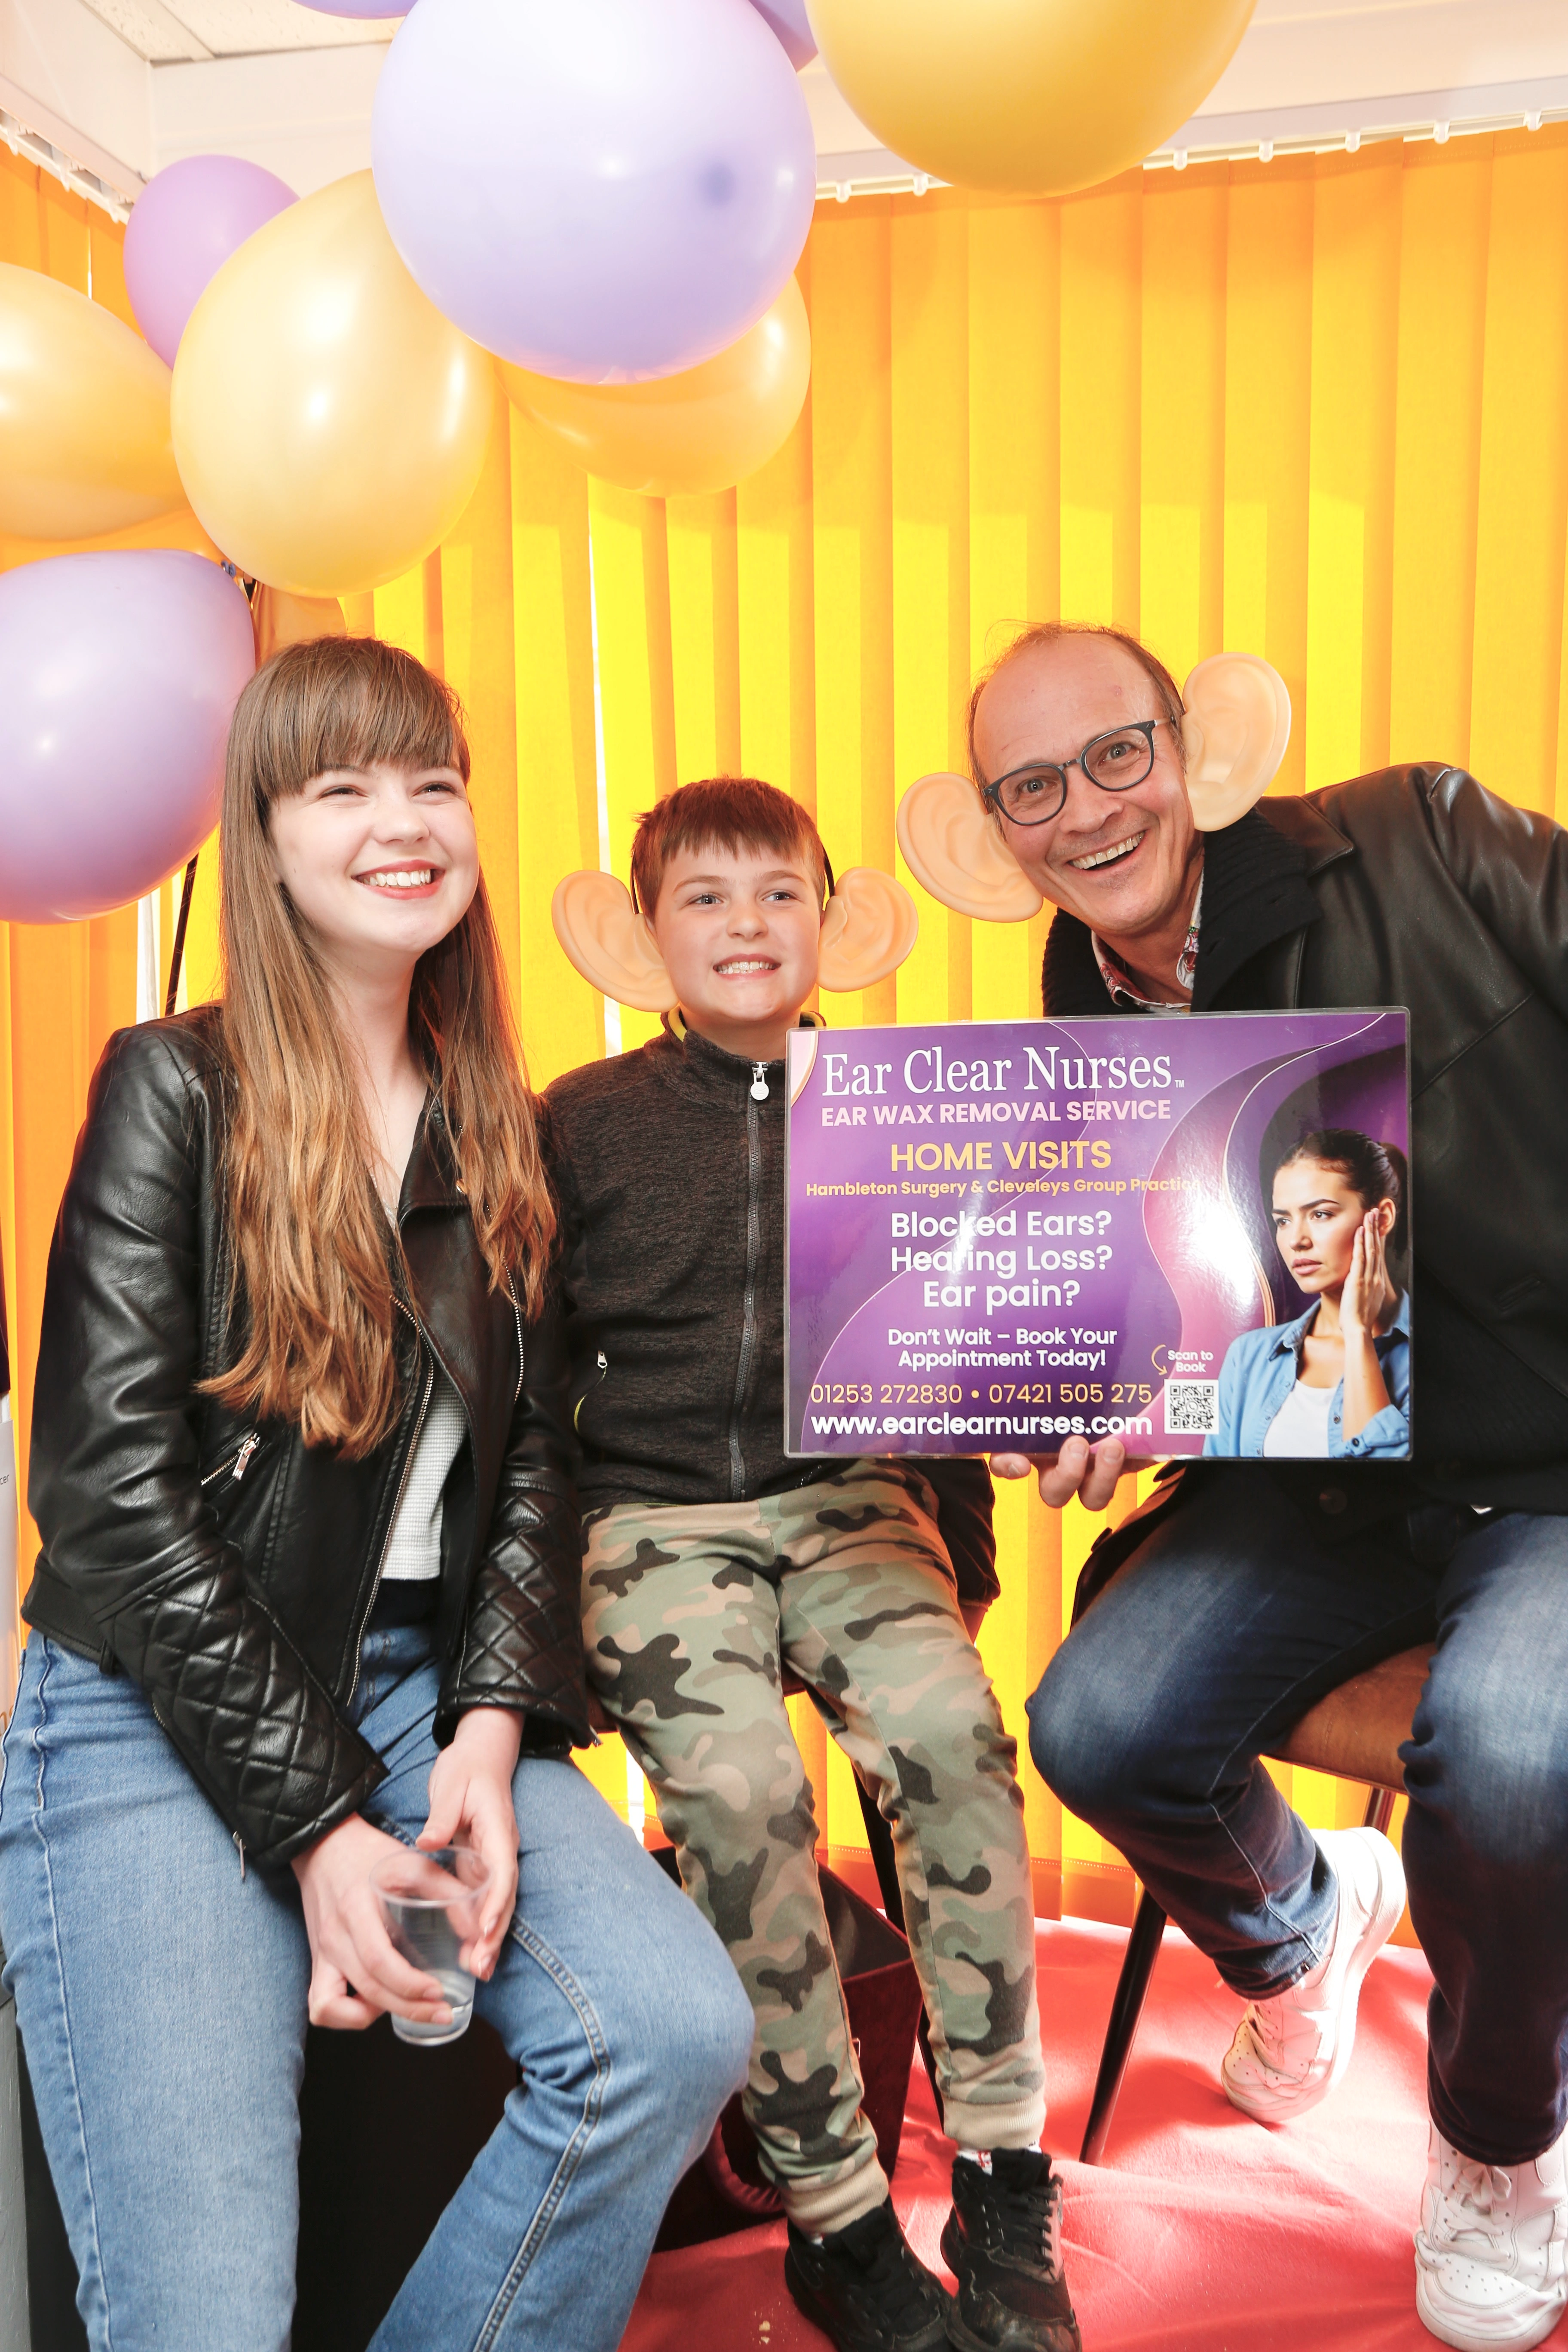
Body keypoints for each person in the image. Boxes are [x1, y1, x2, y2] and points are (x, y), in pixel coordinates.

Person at [0, 637, 753, 2352]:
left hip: (420, 1683)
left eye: (431, 781)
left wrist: (491, 1727)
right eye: (340, 787)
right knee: (202, 2324)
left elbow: (535, 1458)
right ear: (264, 843)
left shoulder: (498, 1116)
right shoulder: (169, 1085)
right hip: (146, 1711)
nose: (400, 821)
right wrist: (321, 1821)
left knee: (668, 2030)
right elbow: (108, 1495)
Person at [924, 618, 1568, 2352]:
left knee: (1513, 1757)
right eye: (1033, 786)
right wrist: (1112, 1410)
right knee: (1095, 1727)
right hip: (1330, 1490)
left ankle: (1500, 2142)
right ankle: (1303, 1932)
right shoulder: (1072, 1011)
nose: (1088, 809)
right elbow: (1217, 1319)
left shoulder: (1421, 837)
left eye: (1116, 753)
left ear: (1188, 745)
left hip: (1547, 1476)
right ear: (1001, 830)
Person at [543, 777, 1079, 2352]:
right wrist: (543, 1601)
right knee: (737, 1790)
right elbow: (518, 1372)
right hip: (651, 1516)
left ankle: (1000, 2177)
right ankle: (834, 2215)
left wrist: (960, 1573)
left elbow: (971, 1351)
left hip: (853, 1499)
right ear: (644, 933)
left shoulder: (903, 1102)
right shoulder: (578, 1122)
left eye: (776, 892)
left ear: (831, 919)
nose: (742, 925)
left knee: (948, 1736)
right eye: (703, 897)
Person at [1205, 1129, 1411, 1460]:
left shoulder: (1435, 1354)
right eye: (1284, 1221)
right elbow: (1219, 1493)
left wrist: (1358, 1333)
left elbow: (1381, 1488)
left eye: (1321, 1214)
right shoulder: (1248, 1358)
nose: (1296, 1240)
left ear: (1382, 1218)